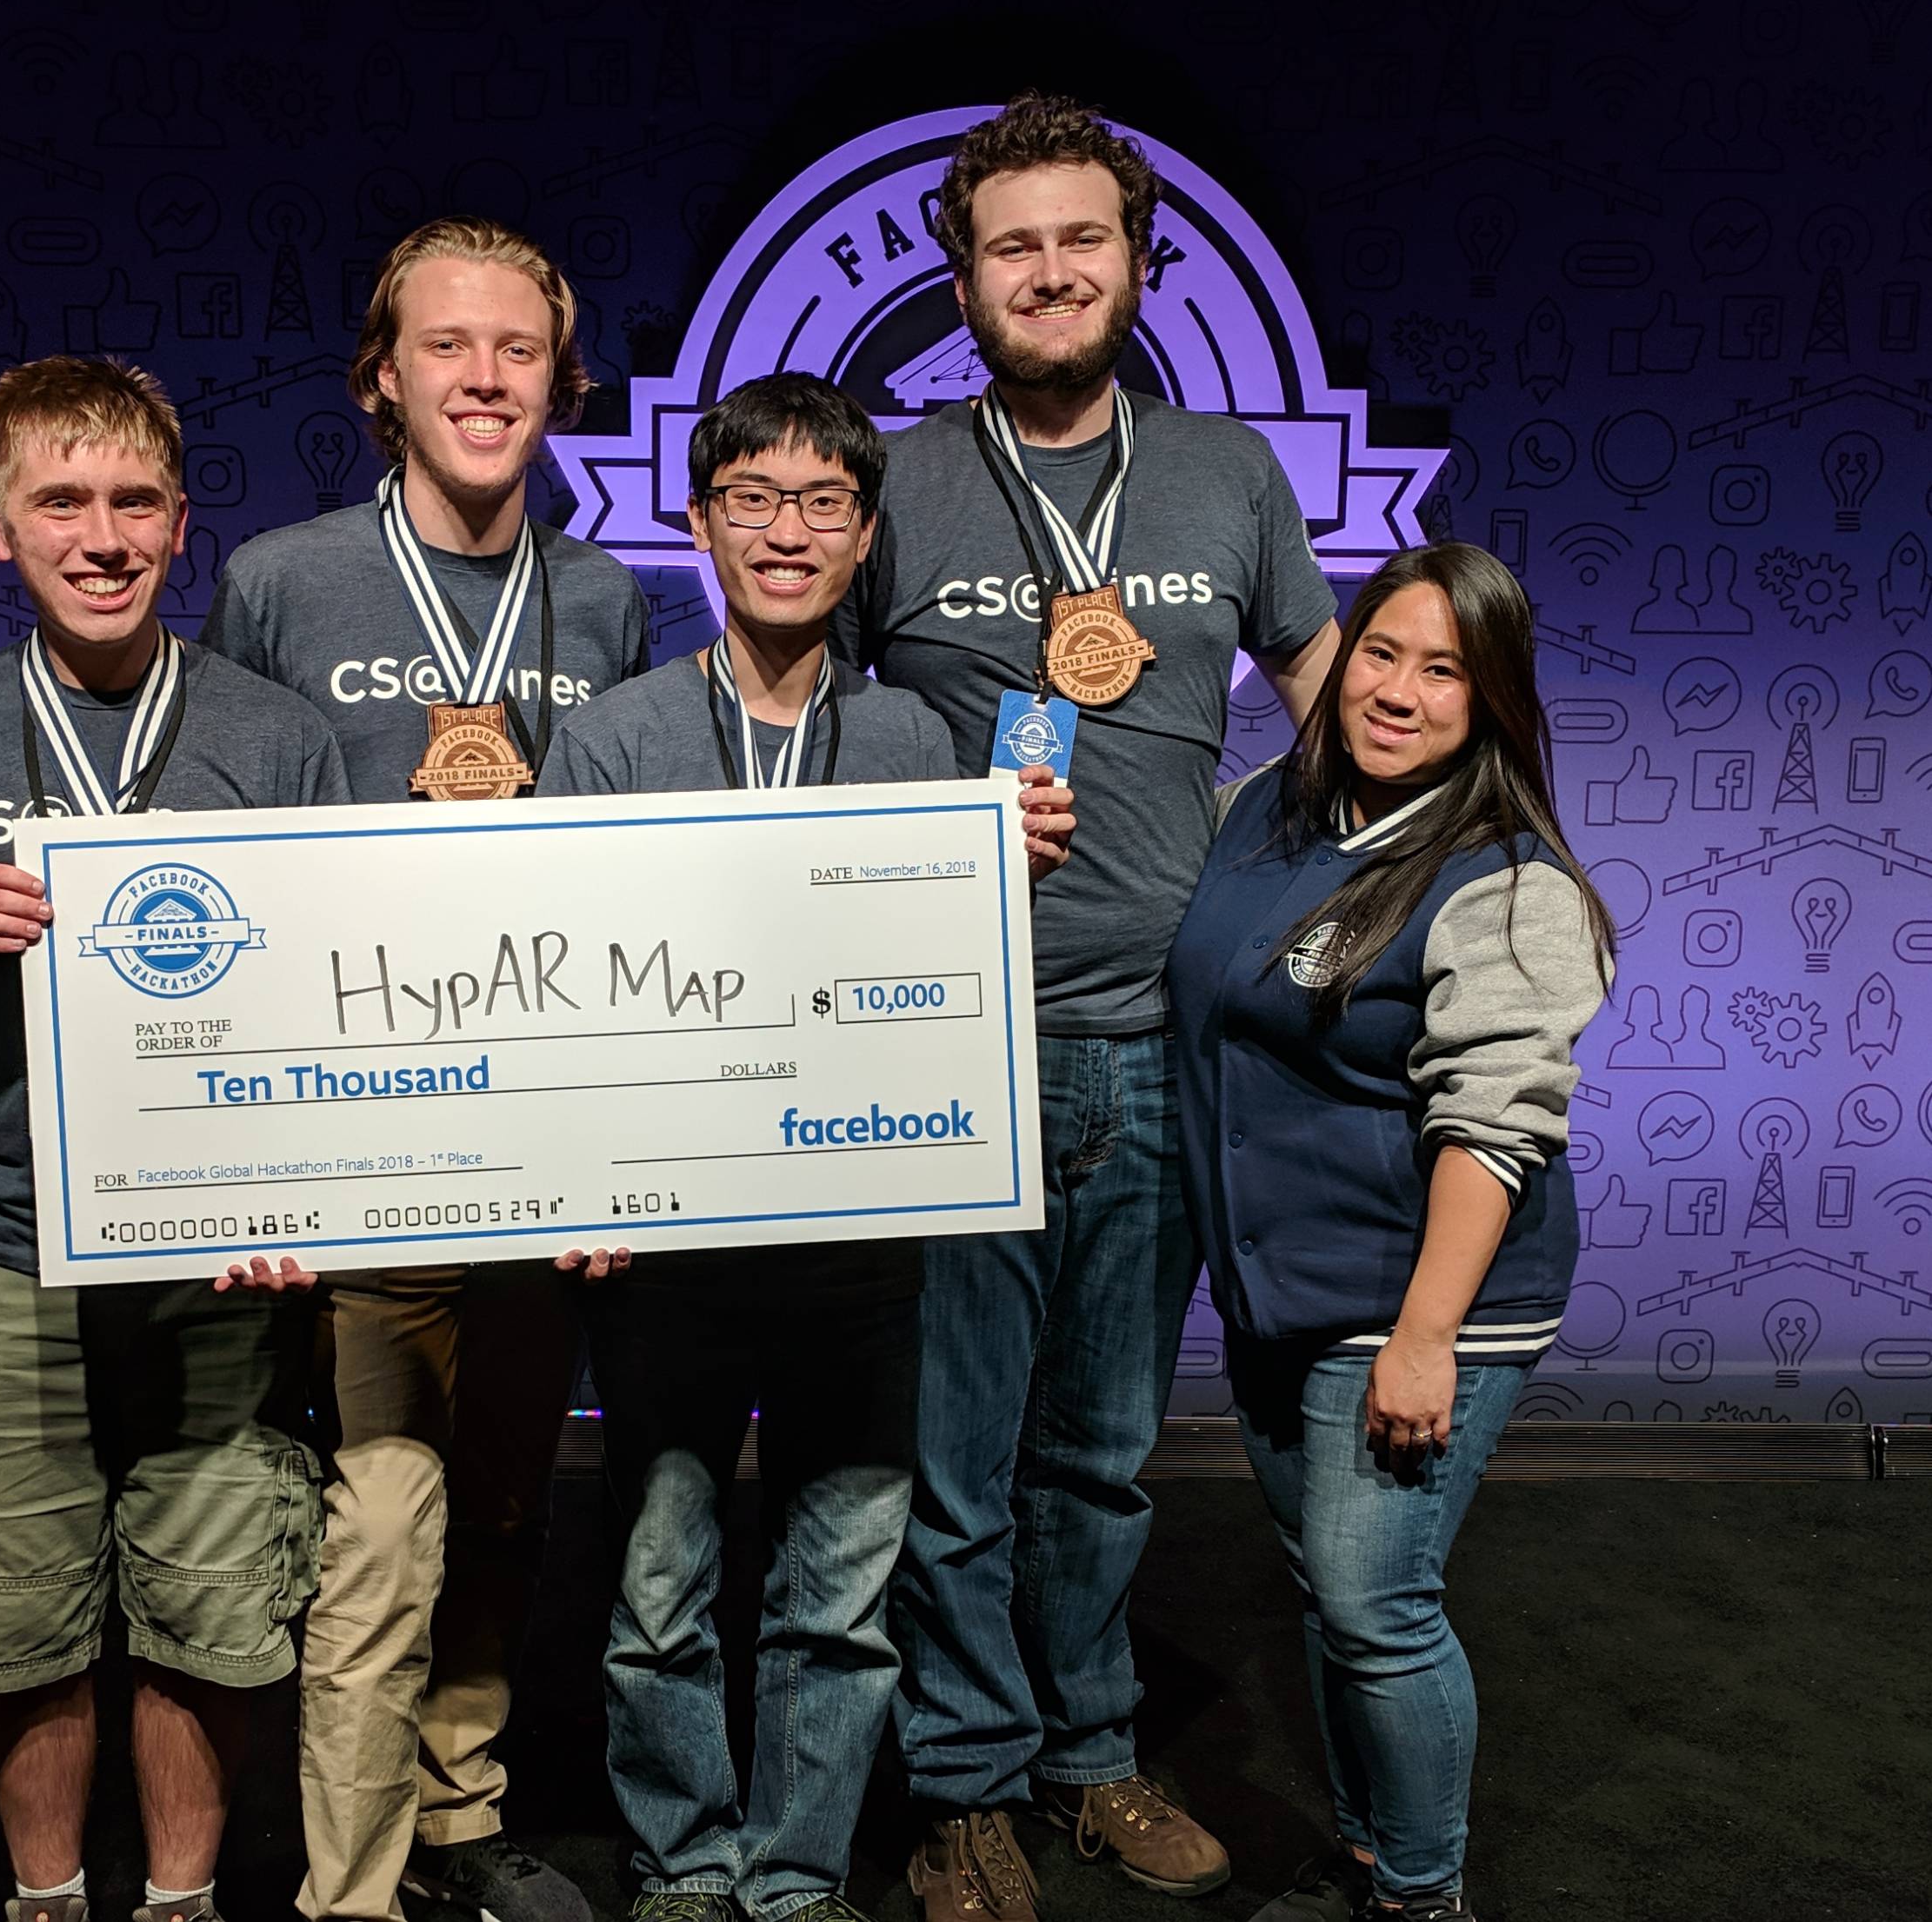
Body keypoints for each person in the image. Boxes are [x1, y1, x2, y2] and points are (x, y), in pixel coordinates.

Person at [833, 92, 1345, 1917]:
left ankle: (1091, 1752)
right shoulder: (890, 479)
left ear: (1139, 262)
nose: (1051, 272)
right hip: (947, 1046)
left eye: (1083, 240)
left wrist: (1422, 876)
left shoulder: (1226, 477)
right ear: (960, 277)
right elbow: (794, 718)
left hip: (1161, 1048)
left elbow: (1340, 696)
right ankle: (963, 1781)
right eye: (1013, 245)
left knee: (1105, 1453)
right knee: (954, 1453)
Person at [537, 373, 1075, 1922]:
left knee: (840, 1595)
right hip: (667, 1260)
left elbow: (940, 994)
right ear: (697, 523)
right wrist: (578, 1186)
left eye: (824, 504)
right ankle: (685, 1864)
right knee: (657, 1594)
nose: (787, 531)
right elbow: (564, 984)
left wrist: (1000, 874)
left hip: (859, 1256)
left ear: (862, 541)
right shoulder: (618, 733)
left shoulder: (920, 742)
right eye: (752, 500)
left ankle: (793, 1876)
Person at [202, 218, 648, 1922]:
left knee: (515, 1499)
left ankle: (465, 1808)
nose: (483, 378)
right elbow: (224, 868)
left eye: (517, 350)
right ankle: (354, 1878)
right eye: (446, 347)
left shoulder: (610, 601)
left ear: (560, 379)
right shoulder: (283, 583)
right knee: (381, 1525)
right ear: (381, 378)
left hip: (537, 1136)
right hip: (366, 1134)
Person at [0, 356, 350, 1922]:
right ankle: (47, 1899)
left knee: (209, 1615)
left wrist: (302, 1193)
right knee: (19, 1620)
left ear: (180, 523)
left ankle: (182, 1905)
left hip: (224, 1258)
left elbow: (342, 991)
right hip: (14, 1242)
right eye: (58, 502)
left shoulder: (276, 741)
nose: (99, 534)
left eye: (131, 501)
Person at [1166, 544, 1609, 1922]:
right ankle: (1363, 1858)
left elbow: (1494, 1122)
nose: (1400, 692)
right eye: (1381, 653)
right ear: (1336, 654)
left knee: (1375, 1602)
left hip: (1421, 1300)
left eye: (1444, 672)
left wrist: (1424, 1340)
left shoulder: (1505, 878)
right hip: (1279, 1288)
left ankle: (1422, 1900)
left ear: (1490, 702)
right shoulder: (1260, 811)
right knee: (1324, 1592)